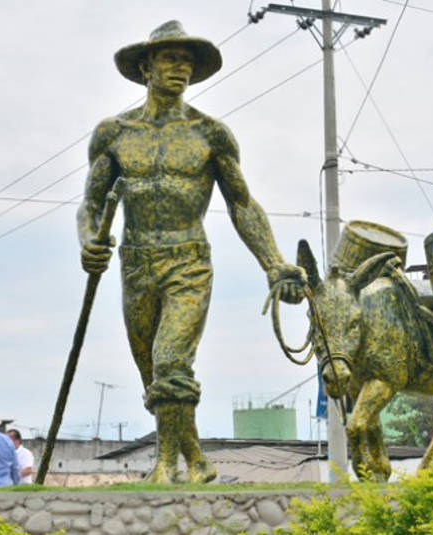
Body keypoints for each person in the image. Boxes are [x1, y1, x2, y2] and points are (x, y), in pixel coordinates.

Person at [78, 20, 304, 484]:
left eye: (188, 61)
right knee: (155, 375)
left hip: (188, 259)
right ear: (146, 67)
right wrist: (89, 241)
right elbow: (91, 204)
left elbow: (242, 204)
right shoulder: (114, 133)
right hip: (136, 263)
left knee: (170, 361)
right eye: (170, 58)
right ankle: (197, 460)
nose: (180, 67)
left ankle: (165, 466)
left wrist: (273, 263)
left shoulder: (210, 135)